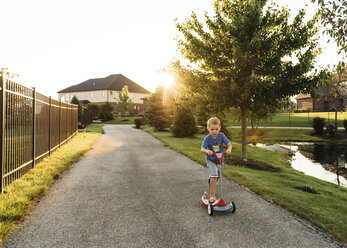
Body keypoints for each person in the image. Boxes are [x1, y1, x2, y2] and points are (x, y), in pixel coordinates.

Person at [201, 117, 232, 203]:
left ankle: (211, 180)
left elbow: (229, 144)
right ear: (208, 129)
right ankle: (212, 195)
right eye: (212, 129)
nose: (214, 131)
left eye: (216, 129)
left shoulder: (221, 136)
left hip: (219, 160)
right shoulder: (207, 138)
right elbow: (202, 149)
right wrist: (207, 151)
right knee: (214, 175)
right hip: (211, 159)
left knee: (217, 176)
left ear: (220, 128)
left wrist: (229, 149)